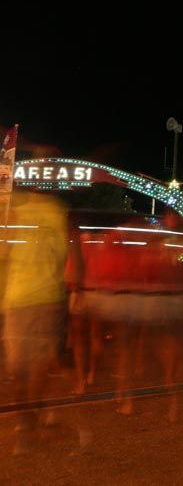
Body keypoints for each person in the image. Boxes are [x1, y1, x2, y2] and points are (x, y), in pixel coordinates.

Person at [1, 190, 68, 454]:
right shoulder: (11, 208)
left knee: (36, 366)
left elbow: (61, 255)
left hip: (45, 298)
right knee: (17, 367)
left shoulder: (53, 211)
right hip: (16, 300)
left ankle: (29, 420)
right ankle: (31, 412)